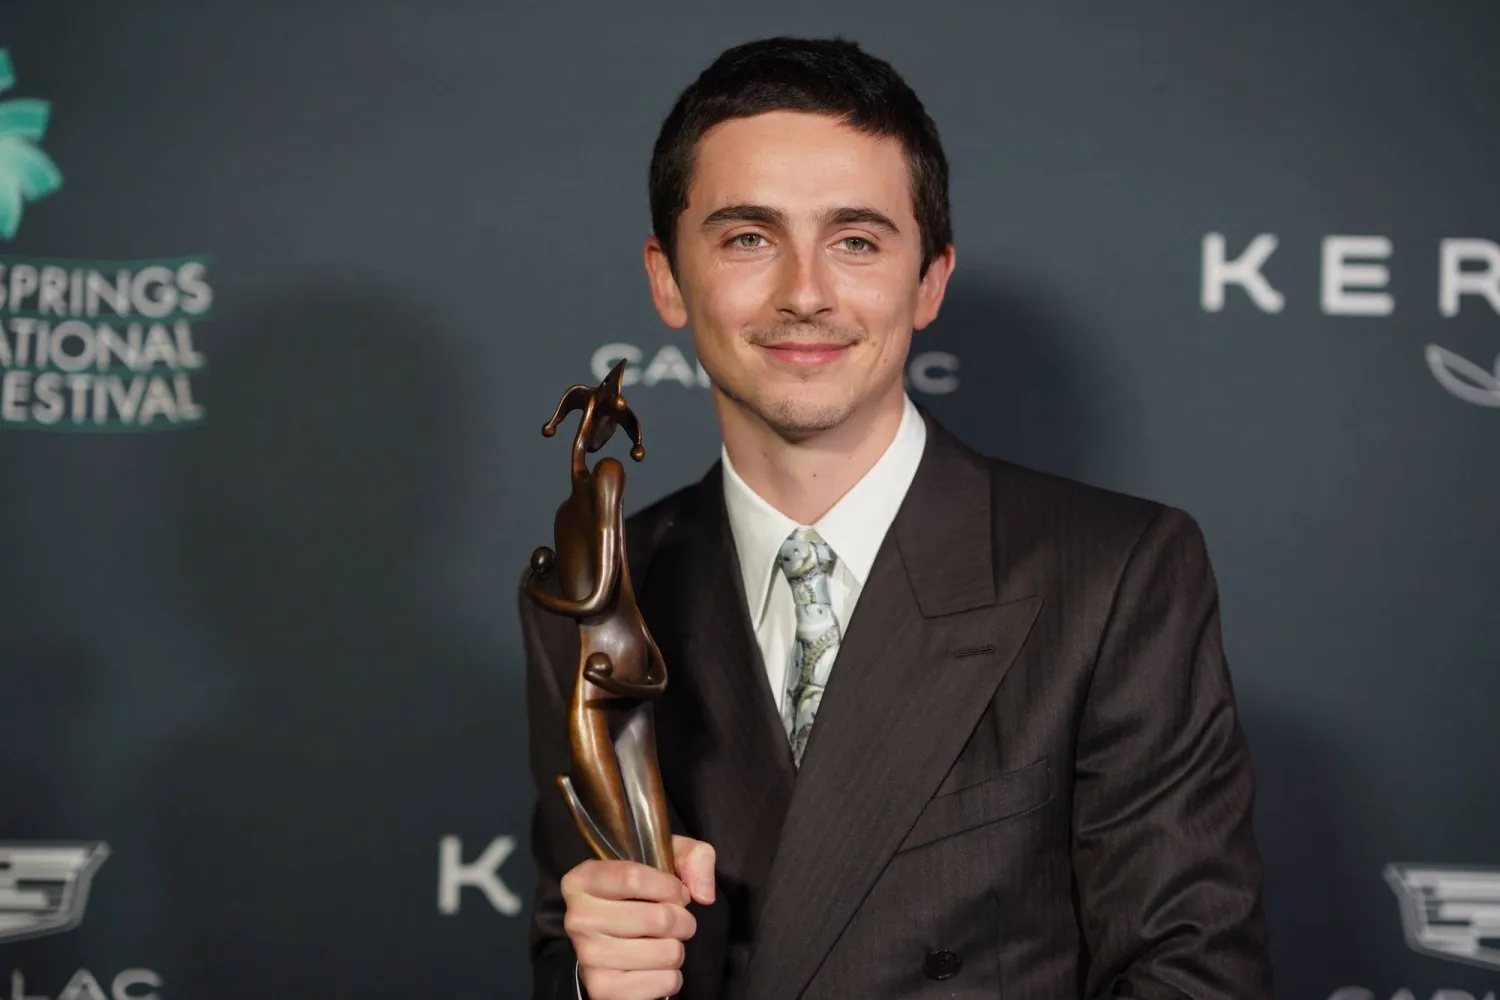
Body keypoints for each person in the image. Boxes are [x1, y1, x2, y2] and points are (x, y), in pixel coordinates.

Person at [521, 35, 1273, 1000]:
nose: (804, 293)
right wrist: (600, 982)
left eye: (856, 242)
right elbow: (566, 944)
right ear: (668, 278)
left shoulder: (1114, 573)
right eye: (749, 238)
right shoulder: (593, 591)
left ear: (929, 282)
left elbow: (1193, 977)